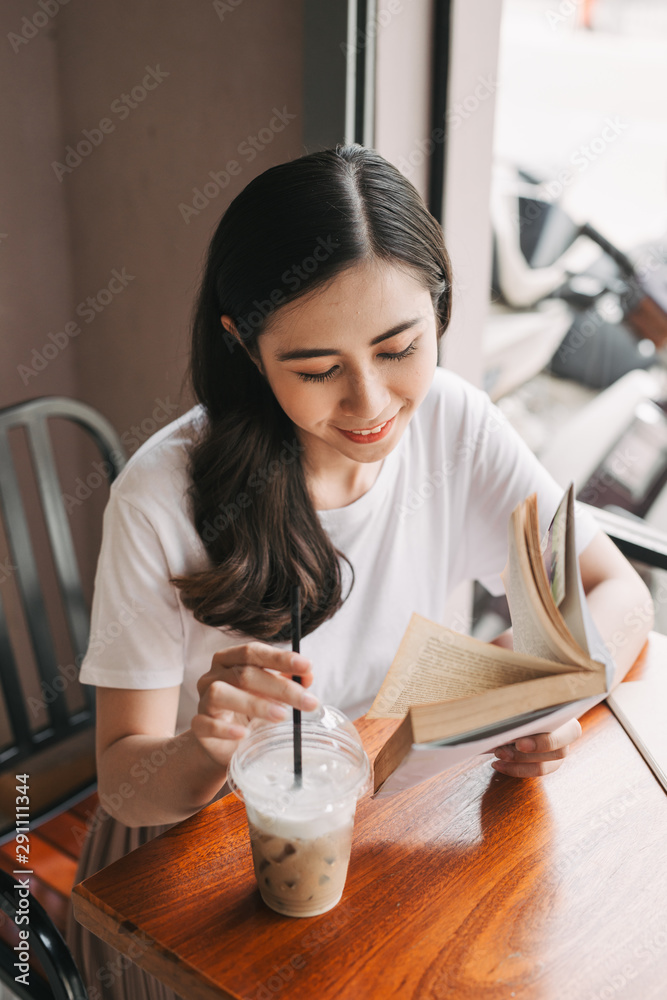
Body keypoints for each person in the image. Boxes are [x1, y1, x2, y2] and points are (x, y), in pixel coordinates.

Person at [66, 143, 652, 999]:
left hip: (386, 826)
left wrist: (545, 697)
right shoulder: (161, 498)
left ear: (439, 310)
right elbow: (123, 784)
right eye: (315, 369)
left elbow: (618, 590)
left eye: (398, 347)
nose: (370, 404)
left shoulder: (454, 423)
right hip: (197, 864)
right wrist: (205, 745)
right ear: (243, 346)